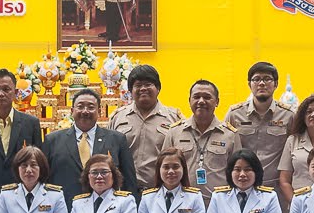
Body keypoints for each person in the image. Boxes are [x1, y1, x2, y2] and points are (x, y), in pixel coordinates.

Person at [108, 63, 188, 193]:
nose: (143, 88)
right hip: (124, 192)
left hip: (161, 191)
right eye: (138, 85)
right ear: (130, 91)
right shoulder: (118, 117)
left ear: (158, 88)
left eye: (148, 84)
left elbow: (183, 156)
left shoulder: (174, 118)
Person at [45, 87, 135, 202]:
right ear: (72, 111)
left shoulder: (116, 139)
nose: (85, 111)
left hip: (107, 210)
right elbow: (44, 180)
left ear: (99, 111)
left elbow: (129, 181)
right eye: (80, 106)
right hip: (63, 210)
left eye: (91, 107)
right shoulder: (52, 140)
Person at [224, 61, 294, 183]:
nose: (261, 83)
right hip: (243, 184)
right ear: (249, 84)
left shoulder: (288, 115)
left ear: (276, 84)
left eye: (267, 79)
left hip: (276, 185)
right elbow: (225, 148)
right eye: (256, 79)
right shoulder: (235, 114)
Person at [182, 79, 237, 197]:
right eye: (196, 97)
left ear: (217, 102)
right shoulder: (175, 132)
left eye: (207, 97)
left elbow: (237, 172)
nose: (201, 101)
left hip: (219, 204)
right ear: (189, 100)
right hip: (183, 204)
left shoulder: (230, 134)